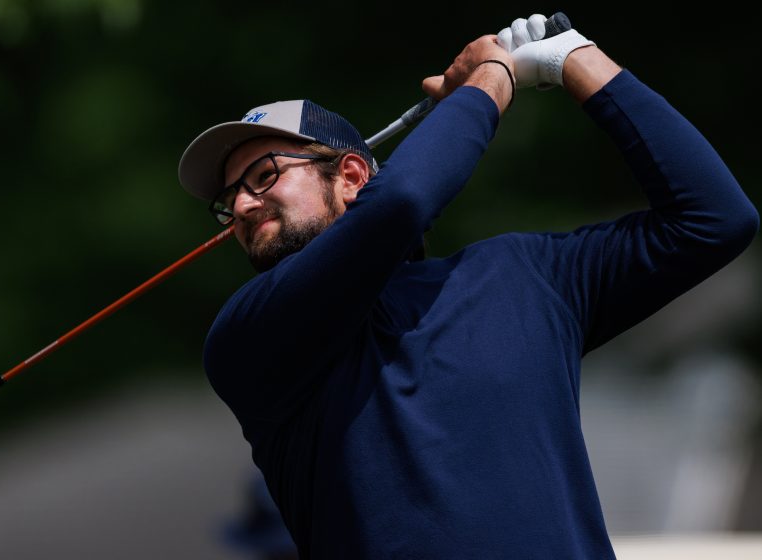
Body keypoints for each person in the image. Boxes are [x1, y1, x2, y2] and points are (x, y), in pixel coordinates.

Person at [177, 13, 759, 559]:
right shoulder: (248, 335)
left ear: (351, 176)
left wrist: (576, 60)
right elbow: (402, 203)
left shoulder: (524, 275)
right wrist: (494, 77)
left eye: (264, 175)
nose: (244, 205)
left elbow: (713, 220)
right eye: (228, 204)